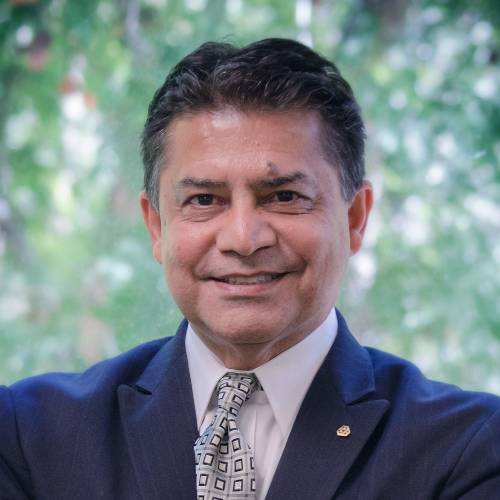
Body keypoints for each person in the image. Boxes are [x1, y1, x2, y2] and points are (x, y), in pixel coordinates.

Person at [1, 38, 499, 500]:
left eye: (284, 196)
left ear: (354, 218)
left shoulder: (468, 448)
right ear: (157, 226)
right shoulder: (27, 436)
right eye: (203, 199)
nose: (243, 239)